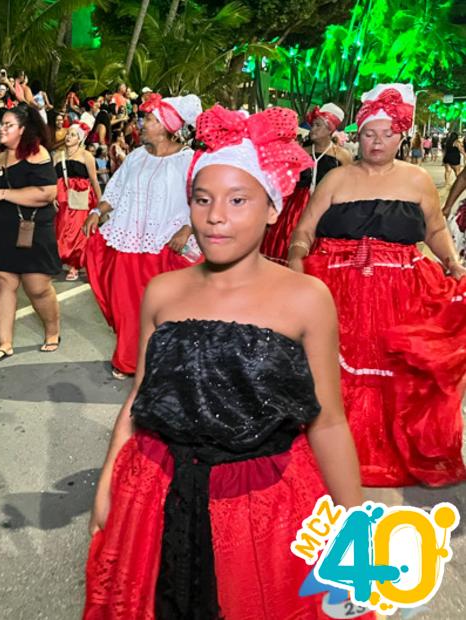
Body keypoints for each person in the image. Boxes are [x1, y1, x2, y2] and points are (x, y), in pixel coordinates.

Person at [84, 103, 364, 620]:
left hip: (262, 507)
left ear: (273, 208)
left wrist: (355, 527)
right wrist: (107, 482)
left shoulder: (306, 298)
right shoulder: (163, 291)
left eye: (238, 200)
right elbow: (140, 397)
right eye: (202, 199)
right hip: (155, 493)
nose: (215, 216)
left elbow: (328, 422)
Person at [288, 83, 466, 487]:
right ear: (357, 134)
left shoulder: (418, 180)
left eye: (387, 133)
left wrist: (451, 262)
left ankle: (392, 452)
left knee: (398, 371)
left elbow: (436, 229)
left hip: (402, 291)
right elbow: (304, 230)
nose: (377, 141)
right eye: (370, 133)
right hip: (335, 292)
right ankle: (334, 451)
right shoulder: (336, 179)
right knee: (332, 372)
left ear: (403, 136)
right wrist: (298, 258)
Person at [84, 93, 202, 379]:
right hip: (127, 244)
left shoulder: (190, 161)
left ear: (165, 126)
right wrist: (97, 212)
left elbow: (202, 199)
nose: (143, 123)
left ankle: (164, 364)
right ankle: (127, 361)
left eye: (149, 119)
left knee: (166, 310)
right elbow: (114, 190)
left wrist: (187, 229)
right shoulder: (136, 156)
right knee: (126, 306)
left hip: (167, 247)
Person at [0, 103, 59, 361]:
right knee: (2, 282)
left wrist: (3, 193)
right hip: (2, 226)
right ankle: (4, 343)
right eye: (1, 124)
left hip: (32, 228)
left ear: (23, 130)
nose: (2, 129)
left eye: (8, 125)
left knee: (37, 287)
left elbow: (47, 193)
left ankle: (52, 330)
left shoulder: (37, 153)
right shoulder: (0, 154)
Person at [261, 102, 351, 264]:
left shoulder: (342, 156)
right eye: (312, 125)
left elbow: (349, 185)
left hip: (326, 208)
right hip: (295, 209)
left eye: (317, 125)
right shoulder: (300, 151)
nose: (313, 129)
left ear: (330, 128)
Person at [54, 121, 102, 281]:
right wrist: (53, 196)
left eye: (73, 135)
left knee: (77, 231)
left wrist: (101, 203)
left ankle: (74, 265)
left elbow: (94, 180)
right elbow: (54, 179)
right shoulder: (57, 155)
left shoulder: (86, 156)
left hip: (81, 198)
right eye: (68, 134)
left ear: (80, 139)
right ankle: (64, 260)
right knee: (61, 229)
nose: (68, 137)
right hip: (62, 198)